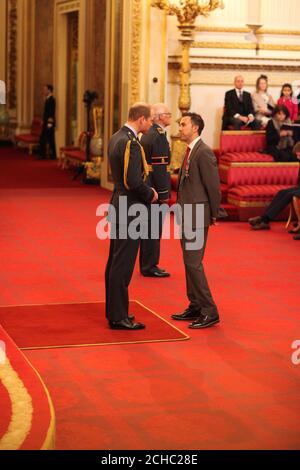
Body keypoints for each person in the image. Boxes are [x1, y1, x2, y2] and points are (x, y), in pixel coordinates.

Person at [105, 103, 158, 330]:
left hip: (119, 204)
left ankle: (115, 312)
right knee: (123, 265)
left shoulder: (117, 136)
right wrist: (151, 194)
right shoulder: (131, 143)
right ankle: (118, 317)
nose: (151, 124)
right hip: (131, 208)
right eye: (150, 120)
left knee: (115, 261)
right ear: (141, 119)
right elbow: (133, 181)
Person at [171, 113, 221, 329]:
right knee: (188, 262)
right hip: (187, 213)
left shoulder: (204, 152)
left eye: (183, 124)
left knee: (193, 263)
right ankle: (195, 305)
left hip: (197, 215)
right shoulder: (190, 150)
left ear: (196, 128)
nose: (180, 127)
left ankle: (210, 310)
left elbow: (213, 187)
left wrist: (214, 213)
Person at [139, 103, 171, 278]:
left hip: (148, 184)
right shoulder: (157, 136)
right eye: (168, 114)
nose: (170, 116)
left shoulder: (150, 133)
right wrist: (164, 194)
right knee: (153, 228)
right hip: (155, 187)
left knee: (149, 227)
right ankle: (150, 265)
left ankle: (147, 263)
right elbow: (160, 168)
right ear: (160, 117)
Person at [38, 84, 56, 160]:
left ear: (49, 90)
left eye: (45, 89)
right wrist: (42, 120)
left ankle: (51, 155)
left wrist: (49, 123)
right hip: (46, 122)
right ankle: (44, 155)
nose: (44, 91)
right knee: (44, 138)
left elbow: (51, 112)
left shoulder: (52, 99)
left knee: (49, 139)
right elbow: (45, 112)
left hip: (49, 123)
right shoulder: (47, 99)